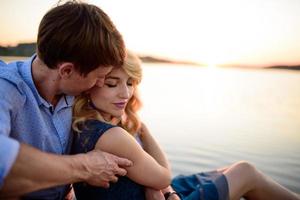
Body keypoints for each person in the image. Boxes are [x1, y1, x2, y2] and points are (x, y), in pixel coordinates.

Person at [72, 50, 300, 200]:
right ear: (91, 84)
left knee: (227, 171)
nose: (125, 93)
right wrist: (144, 130)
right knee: (245, 172)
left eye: (130, 83)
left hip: (158, 192)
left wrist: (159, 188)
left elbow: (156, 181)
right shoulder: (111, 135)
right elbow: (163, 177)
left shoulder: (87, 124)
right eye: (112, 84)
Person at [0, 1, 133, 199]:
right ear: (67, 71)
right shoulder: (6, 88)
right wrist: (85, 167)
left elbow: (127, 117)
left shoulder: (77, 88)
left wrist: (159, 187)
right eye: (99, 76)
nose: (100, 83)